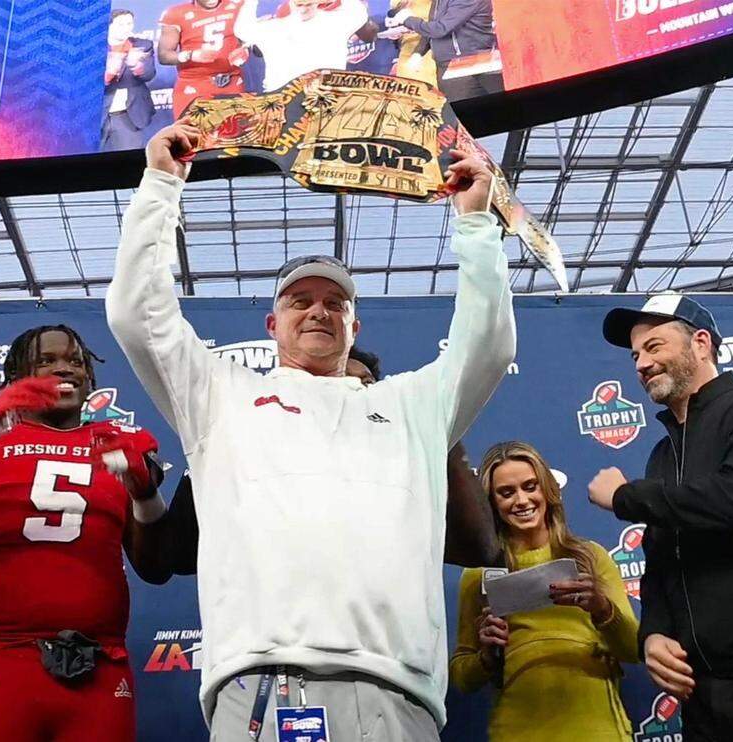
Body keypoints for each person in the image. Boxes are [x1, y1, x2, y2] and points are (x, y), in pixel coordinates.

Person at [106, 120, 516, 739]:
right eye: (301, 302)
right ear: (273, 324)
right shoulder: (219, 394)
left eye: (336, 303)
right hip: (259, 681)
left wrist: (476, 226)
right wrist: (161, 186)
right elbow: (138, 313)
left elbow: (485, 345)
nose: (319, 310)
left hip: (396, 689)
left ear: (355, 328)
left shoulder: (412, 405)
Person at [0, 323, 171, 742]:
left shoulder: (122, 442)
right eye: (46, 360)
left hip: (99, 662)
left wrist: (144, 492)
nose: (65, 369)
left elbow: (156, 567)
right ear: (15, 376)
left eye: (75, 362)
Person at [588, 294, 733, 742]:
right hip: (704, 692)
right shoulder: (662, 455)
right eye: (635, 354)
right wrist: (653, 634)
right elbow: (659, 561)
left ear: (700, 343)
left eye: (655, 347)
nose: (640, 364)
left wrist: (624, 497)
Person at [145, 346, 501, 582]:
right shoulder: (245, 444)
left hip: (387, 666)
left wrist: (444, 434)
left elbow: (478, 549)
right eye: (331, 384)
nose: (347, 394)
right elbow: (176, 556)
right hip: (266, 660)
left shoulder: (400, 464)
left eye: (365, 385)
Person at [451, 441, 639, 741]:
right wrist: (486, 656)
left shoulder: (590, 557)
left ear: (548, 490)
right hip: (517, 729)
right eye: (506, 492)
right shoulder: (479, 574)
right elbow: (462, 678)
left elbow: (633, 650)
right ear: (491, 502)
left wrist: (603, 609)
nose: (522, 500)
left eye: (530, 486)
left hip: (597, 726)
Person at [233, 0, 374, 91]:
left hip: (326, 95)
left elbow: (359, 12)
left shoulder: (336, 22)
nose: (303, 9)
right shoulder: (274, 28)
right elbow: (241, 29)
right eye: (299, 4)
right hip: (282, 99)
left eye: (308, 4)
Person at [388, 0, 502, 100]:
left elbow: (440, 29)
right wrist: (418, 53)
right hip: (448, 66)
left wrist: (408, 19)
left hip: (470, 65)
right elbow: (433, 26)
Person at [158, 0, 250, 117]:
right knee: (192, 133)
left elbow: (252, 39)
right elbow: (164, 55)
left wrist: (246, 49)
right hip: (195, 85)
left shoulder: (238, 5)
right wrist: (191, 55)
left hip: (232, 81)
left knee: (235, 132)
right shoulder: (176, 13)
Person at [102, 9, 157, 152]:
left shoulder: (143, 45)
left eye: (129, 23)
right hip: (95, 115)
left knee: (129, 162)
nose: (126, 28)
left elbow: (149, 74)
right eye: (121, 24)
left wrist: (137, 66)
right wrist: (108, 74)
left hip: (128, 115)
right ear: (108, 26)